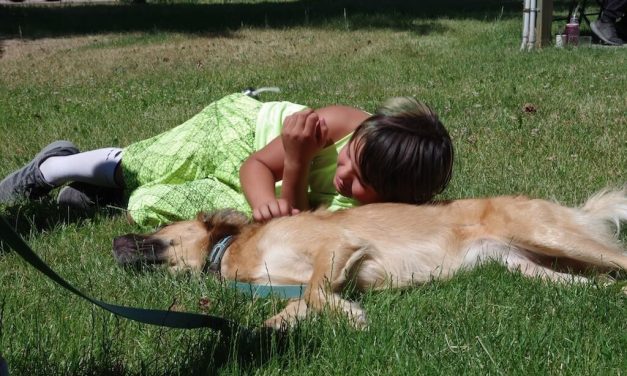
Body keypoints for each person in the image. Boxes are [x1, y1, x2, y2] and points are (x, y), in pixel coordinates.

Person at [0, 91, 454, 227]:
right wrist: (296, 159)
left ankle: (100, 195)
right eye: (348, 160)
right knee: (144, 163)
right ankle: (52, 167)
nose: (342, 177)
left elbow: (293, 225)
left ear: (394, 196)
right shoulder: (332, 125)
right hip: (234, 139)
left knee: (145, 205)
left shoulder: (375, 213)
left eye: (358, 183)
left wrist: (269, 207)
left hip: (262, 194)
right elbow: (255, 166)